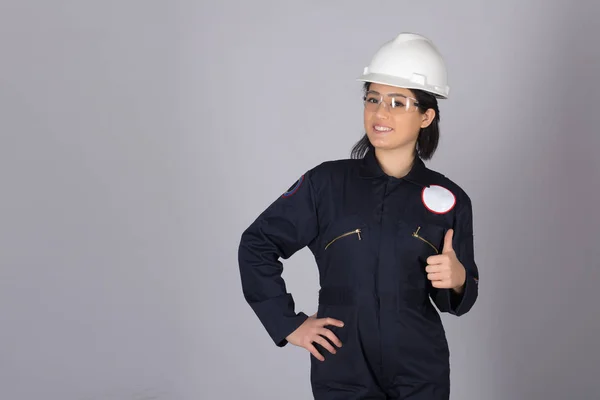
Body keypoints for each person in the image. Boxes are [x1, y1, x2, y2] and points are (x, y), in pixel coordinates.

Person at [238, 32, 479, 400]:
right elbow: (257, 244)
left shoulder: (450, 199)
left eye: (398, 102)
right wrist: (289, 325)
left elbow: (456, 301)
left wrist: (459, 279)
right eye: (372, 99)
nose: (380, 113)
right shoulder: (327, 184)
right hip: (343, 365)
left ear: (426, 116)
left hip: (419, 368)